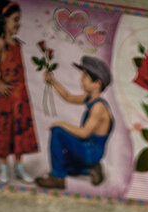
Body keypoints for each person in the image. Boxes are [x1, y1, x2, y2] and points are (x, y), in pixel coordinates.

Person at [0, 0, 38, 186]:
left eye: (19, 20)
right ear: (3, 20)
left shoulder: (17, 43)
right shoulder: (0, 43)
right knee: (5, 130)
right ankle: (4, 166)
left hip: (20, 97)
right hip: (6, 98)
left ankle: (19, 167)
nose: (18, 23)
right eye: (15, 19)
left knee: (20, 130)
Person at [35, 55, 113, 190]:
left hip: (91, 151)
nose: (80, 80)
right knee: (64, 164)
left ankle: (57, 178)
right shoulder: (90, 99)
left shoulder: (98, 107)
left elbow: (84, 133)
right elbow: (68, 97)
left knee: (58, 132)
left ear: (97, 83)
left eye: (84, 77)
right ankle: (91, 169)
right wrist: (52, 82)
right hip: (87, 147)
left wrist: (61, 124)